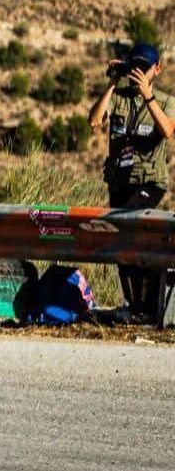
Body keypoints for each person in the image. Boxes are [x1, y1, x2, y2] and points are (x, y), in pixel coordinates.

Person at [87, 40, 175, 321]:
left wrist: (148, 96)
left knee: (128, 226)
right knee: (119, 240)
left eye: (144, 68)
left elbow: (167, 130)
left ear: (156, 69)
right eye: (134, 66)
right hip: (120, 181)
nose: (138, 72)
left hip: (149, 182)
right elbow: (94, 120)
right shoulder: (120, 97)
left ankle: (146, 305)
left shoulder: (166, 101)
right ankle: (134, 305)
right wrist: (112, 83)